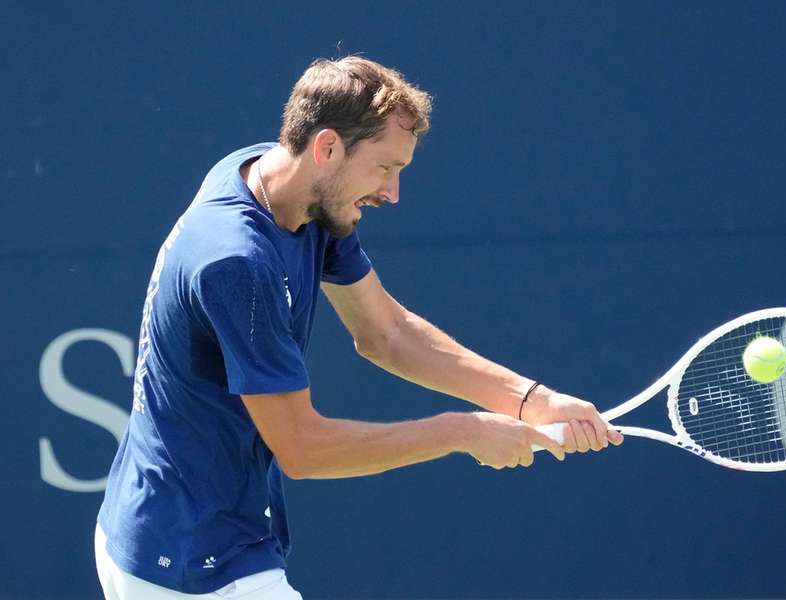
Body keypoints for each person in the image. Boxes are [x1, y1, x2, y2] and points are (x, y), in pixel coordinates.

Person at [95, 55, 623, 600]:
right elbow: (302, 448)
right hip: (187, 567)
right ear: (326, 148)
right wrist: (461, 431)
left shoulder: (287, 184)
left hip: (178, 530)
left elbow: (386, 333)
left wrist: (531, 400)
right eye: (385, 168)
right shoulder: (236, 260)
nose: (392, 194)